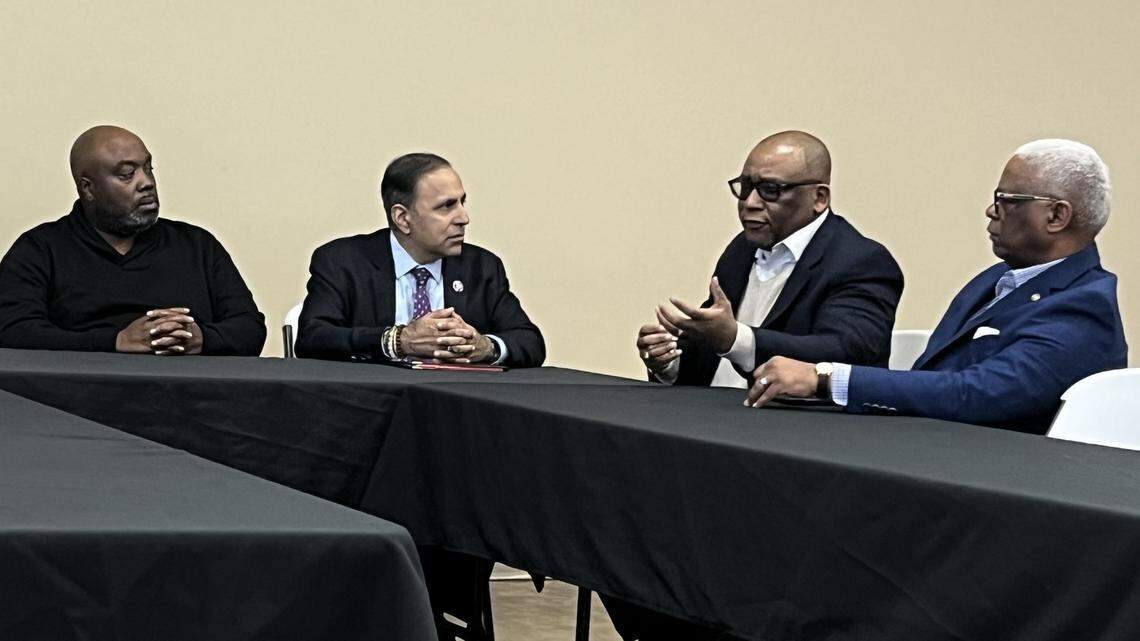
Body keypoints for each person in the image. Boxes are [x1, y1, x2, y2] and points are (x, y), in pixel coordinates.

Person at [747, 139, 1127, 434]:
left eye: (1007, 200)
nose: (991, 211)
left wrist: (827, 378)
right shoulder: (995, 280)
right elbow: (934, 379)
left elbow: (977, 394)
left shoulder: (1083, 306)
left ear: (1057, 215)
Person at [638, 131, 903, 388]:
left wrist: (736, 339)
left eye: (770, 189)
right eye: (746, 187)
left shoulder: (861, 262)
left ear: (819, 198)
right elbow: (713, 358)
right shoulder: (741, 249)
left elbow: (845, 355)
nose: (749, 202)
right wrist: (669, 363)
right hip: (717, 418)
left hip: (799, 428)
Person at [0, 125, 265, 355]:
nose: (146, 182)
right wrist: (115, 341)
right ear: (88, 188)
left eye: (148, 168)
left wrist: (201, 339)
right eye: (127, 174)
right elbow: (13, 331)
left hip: (192, 396)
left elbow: (249, 328)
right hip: (78, 396)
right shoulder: (41, 249)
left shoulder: (197, 245)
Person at [295, 152, 545, 368]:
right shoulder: (343, 262)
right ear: (403, 218)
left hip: (457, 407)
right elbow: (313, 339)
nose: (463, 217)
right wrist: (399, 341)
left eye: (462, 202)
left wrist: (486, 347)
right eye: (446, 206)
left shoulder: (481, 267)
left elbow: (529, 342)